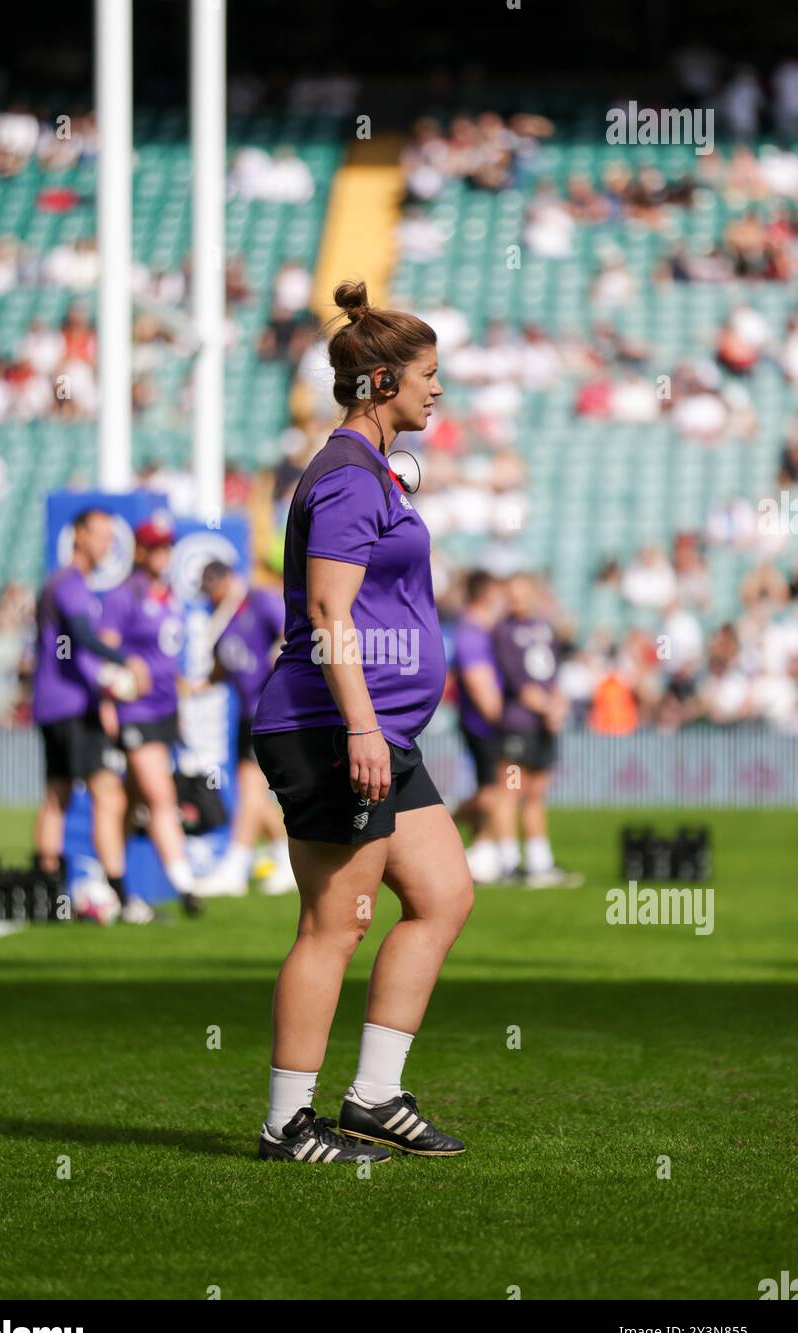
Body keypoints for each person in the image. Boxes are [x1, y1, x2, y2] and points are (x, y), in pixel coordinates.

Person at [251, 279, 474, 1164]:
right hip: (332, 727)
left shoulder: (371, 469)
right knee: (336, 923)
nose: (439, 388)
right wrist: (362, 730)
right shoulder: (347, 478)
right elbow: (329, 615)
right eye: (428, 375)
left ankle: (374, 1097)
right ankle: (285, 1124)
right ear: (381, 382)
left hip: (379, 731)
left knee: (444, 896)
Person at [32, 508, 151, 922]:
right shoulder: (71, 584)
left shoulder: (61, 584)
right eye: (100, 535)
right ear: (79, 535)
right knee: (108, 793)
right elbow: (83, 637)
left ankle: (46, 892)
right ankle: (121, 895)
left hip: (53, 704)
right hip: (70, 705)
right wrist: (127, 662)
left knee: (57, 794)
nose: (107, 545)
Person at [100, 513, 201, 920]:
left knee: (132, 800)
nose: (163, 553)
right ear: (140, 550)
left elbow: (167, 659)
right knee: (160, 795)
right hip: (135, 711)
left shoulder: (168, 594)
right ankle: (185, 886)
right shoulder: (124, 595)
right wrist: (109, 703)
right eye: (156, 546)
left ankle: (115, 885)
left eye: (167, 546)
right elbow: (105, 653)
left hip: (163, 708)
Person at [190, 561, 294, 897]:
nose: (209, 596)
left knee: (251, 788)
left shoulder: (258, 600)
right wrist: (196, 686)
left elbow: (288, 633)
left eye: (213, 588)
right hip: (246, 714)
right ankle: (287, 858)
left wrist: (278, 653)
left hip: (271, 707)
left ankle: (236, 865)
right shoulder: (220, 620)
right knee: (254, 795)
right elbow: (222, 666)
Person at [491, 572, 583, 888]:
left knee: (536, 792)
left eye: (521, 592)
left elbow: (555, 674)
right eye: (511, 592)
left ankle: (539, 861)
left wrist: (557, 704)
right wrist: (548, 708)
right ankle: (508, 862)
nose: (516, 598)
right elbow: (518, 680)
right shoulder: (503, 631)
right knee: (510, 791)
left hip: (543, 724)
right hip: (519, 722)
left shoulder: (544, 629)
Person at [452, 570, 507, 885]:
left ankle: (483, 851)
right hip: (482, 724)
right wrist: (500, 716)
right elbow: (479, 684)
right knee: (491, 792)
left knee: (497, 789)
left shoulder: (484, 630)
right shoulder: (470, 632)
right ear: (486, 595)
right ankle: (440, 824)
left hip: (488, 723)